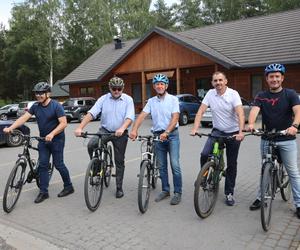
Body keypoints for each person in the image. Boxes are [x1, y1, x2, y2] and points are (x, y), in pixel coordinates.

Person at [4, 82, 74, 204]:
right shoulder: (36, 106)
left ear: (48, 93)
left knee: (59, 165)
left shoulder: (56, 106)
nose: (38, 95)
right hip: (43, 140)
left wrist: (52, 134)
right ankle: (44, 192)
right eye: (37, 93)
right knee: (43, 165)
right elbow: (23, 118)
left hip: (57, 140)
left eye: (41, 93)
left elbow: (63, 123)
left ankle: (68, 186)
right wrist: (11, 127)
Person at [248, 63, 300, 218]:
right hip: (267, 138)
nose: (274, 79)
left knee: (293, 172)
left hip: (287, 139)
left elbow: (298, 111)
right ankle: (260, 197)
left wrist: (295, 125)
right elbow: (254, 111)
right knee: (265, 169)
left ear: (282, 78)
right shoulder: (261, 95)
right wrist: (251, 124)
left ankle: (298, 203)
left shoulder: (290, 94)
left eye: (277, 76)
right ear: (267, 79)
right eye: (271, 76)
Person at [74, 76, 135, 198]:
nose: (116, 91)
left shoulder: (128, 99)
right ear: (110, 88)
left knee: (119, 161)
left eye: (119, 88)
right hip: (105, 130)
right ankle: (96, 168)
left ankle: (119, 187)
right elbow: (92, 113)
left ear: (122, 88)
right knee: (92, 144)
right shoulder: (103, 99)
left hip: (120, 133)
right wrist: (80, 127)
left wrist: (122, 128)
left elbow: (129, 117)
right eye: (114, 88)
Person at [190, 71, 245, 206]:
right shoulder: (210, 93)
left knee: (232, 164)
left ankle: (229, 193)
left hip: (233, 133)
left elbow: (240, 114)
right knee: (204, 154)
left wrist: (240, 132)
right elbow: (201, 111)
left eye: (220, 80)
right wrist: (195, 128)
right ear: (212, 83)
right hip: (217, 131)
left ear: (225, 81)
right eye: (215, 81)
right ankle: (204, 177)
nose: (218, 83)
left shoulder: (233, 94)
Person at [130, 73, 183, 205]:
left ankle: (177, 192)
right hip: (157, 135)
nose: (159, 86)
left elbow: (175, 117)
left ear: (166, 86)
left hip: (172, 135)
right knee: (161, 166)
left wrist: (167, 132)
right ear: (154, 86)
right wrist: (134, 130)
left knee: (175, 165)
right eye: (157, 84)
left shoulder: (173, 100)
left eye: (161, 84)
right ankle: (165, 190)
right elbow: (142, 115)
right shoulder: (151, 102)